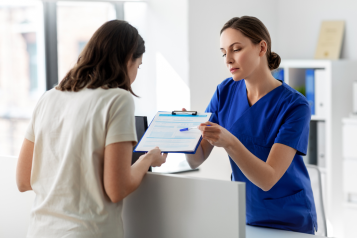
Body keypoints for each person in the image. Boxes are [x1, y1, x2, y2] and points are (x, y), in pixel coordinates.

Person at [16, 20, 167, 238]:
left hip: (39, 231)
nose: (136, 74)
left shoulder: (48, 98)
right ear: (127, 60)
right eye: (138, 65)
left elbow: (23, 180)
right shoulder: (118, 99)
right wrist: (148, 159)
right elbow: (117, 189)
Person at [185, 16, 317, 234]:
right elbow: (195, 159)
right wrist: (185, 134)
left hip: (289, 219)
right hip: (243, 214)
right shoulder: (224, 92)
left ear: (261, 47)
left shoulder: (295, 106)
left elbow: (268, 178)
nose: (228, 59)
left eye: (236, 49)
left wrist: (229, 142)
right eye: (223, 52)